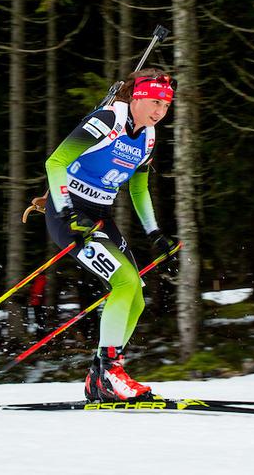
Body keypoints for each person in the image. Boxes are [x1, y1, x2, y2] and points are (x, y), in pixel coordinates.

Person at [37, 69, 178, 401]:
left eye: (166, 105)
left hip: (99, 215)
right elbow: (55, 163)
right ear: (138, 97)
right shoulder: (106, 120)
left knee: (137, 297)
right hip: (68, 214)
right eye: (155, 102)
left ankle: (100, 377)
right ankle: (111, 375)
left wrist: (154, 232)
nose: (160, 111)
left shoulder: (148, 135)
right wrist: (69, 211)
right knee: (125, 283)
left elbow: (139, 187)